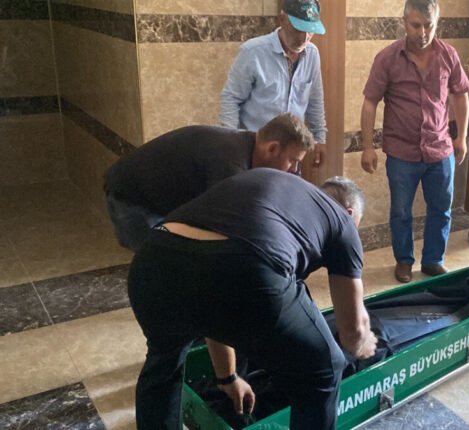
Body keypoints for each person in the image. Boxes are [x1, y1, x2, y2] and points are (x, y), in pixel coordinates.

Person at [129, 169, 378, 430]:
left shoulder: (276, 186)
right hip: (244, 269)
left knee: (164, 363)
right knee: (326, 367)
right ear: (350, 213)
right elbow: (352, 331)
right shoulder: (342, 220)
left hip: (153, 260)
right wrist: (362, 343)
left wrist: (227, 377)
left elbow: (212, 297)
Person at [360, 0, 469, 283]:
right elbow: (370, 102)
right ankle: (404, 260)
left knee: (441, 209)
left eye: (429, 26)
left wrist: (461, 138)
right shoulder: (387, 58)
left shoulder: (448, 55)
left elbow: (461, 95)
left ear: (437, 23)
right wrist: (367, 147)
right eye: (416, 25)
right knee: (401, 212)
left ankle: (433, 260)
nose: (423, 32)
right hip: (402, 152)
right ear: (404, 22)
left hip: (440, 148)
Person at [104, 113, 313, 251]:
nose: (294, 169)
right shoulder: (229, 163)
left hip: (158, 197)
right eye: (293, 160)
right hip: (131, 197)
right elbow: (226, 226)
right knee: (154, 262)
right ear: (272, 148)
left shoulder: (245, 145)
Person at [219, 0, 327, 168]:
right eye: (298, 29)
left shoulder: (312, 54)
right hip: (255, 151)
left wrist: (319, 138)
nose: (304, 38)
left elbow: (315, 100)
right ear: (282, 20)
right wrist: (233, 144)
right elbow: (231, 99)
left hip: (291, 154)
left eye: (310, 32)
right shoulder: (253, 51)